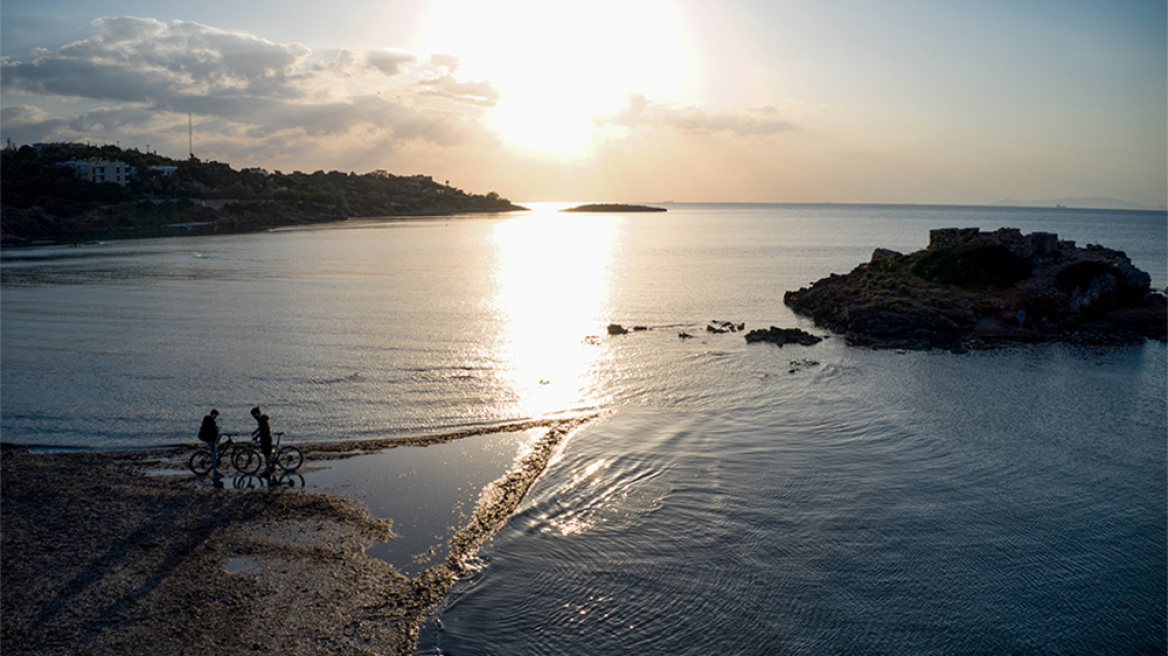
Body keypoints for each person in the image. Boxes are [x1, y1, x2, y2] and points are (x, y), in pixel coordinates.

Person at [198, 409, 222, 479]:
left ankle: (216, 447)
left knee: (219, 437)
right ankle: (215, 472)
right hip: (209, 439)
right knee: (214, 456)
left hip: (207, 437)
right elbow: (212, 431)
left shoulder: (207, 419)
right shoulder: (210, 421)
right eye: (215, 415)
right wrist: (217, 429)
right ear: (213, 414)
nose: (216, 417)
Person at [250, 406, 273, 472]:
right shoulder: (262, 419)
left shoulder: (261, 420)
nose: (253, 417)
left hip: (265, 438)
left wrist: (257, 436)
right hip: (266, 438)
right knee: (269, 453)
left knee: (267, 454)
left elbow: (263, 430)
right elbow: (260, 428)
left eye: (253, 415)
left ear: (256, 413)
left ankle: (268, 469)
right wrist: (256, 431)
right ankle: (270, 466)